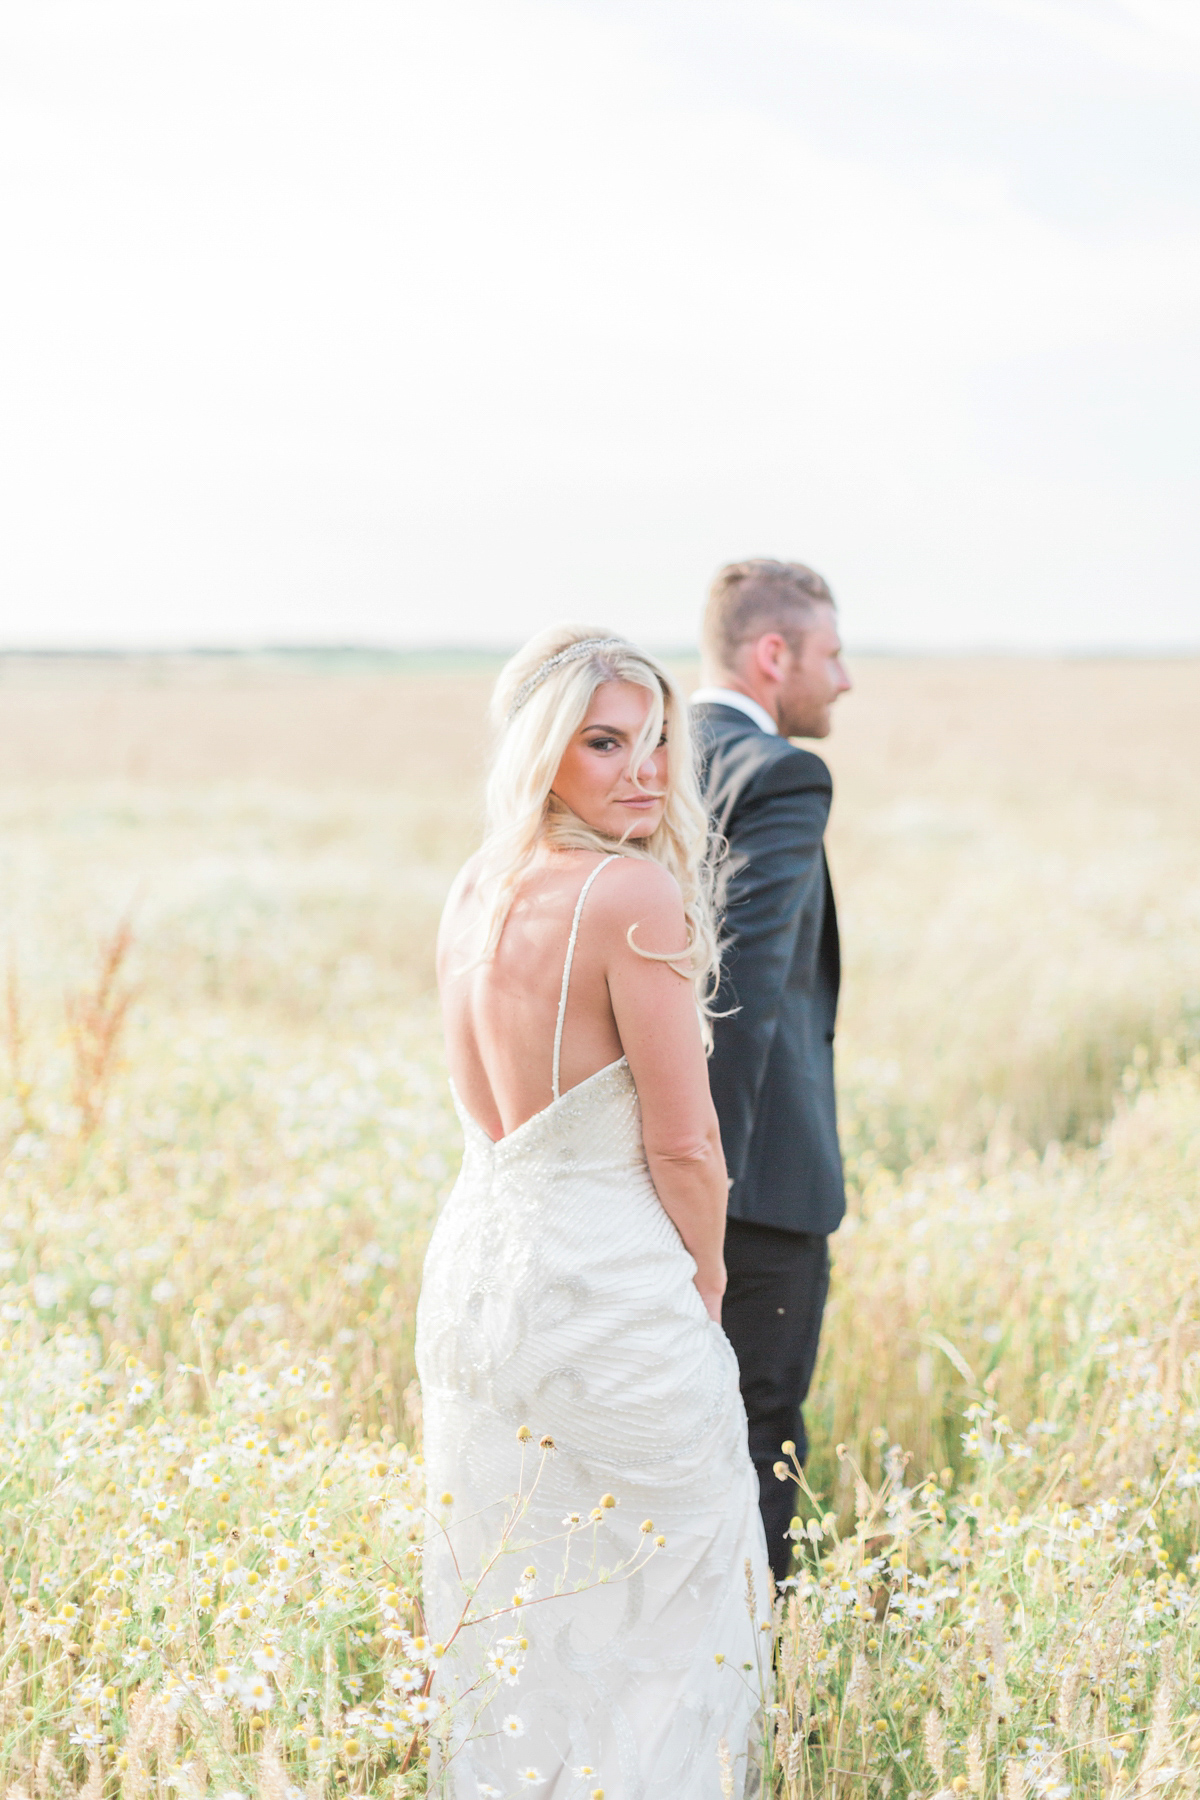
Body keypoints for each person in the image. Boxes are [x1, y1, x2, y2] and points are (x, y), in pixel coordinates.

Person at [416, 627, 771, 1800]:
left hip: (476, 1288)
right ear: (540, 752)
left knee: (516, 1614)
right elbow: (683, 1140)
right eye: (605, 742)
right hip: (608, 1295)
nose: (646, 770)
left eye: (659, 739)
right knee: (677, 1617)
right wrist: (705, 1286)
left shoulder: (476, 884)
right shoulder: (630, 891)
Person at [690, 559, 852, 1583]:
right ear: (773, 652)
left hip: (635, 1167)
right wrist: (700, 1204)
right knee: (758, 1438)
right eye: (832, 654)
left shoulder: (642, 759)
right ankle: (761, 1684)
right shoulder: (781, 774)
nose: (845, 680)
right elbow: (738, 1002)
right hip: (752, 1191)